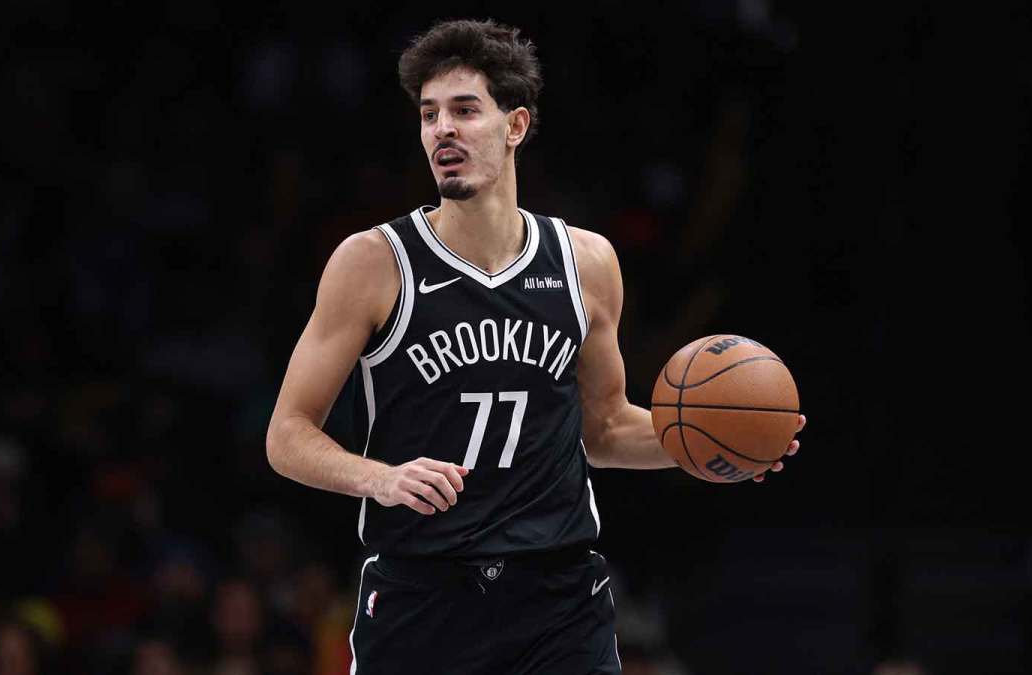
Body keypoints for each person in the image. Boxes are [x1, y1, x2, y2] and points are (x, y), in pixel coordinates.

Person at [265, 18, 805, 675]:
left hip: (557, 595)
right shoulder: (374, 262)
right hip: (423, 592)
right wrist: (378, 477)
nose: (443, 130)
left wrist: (716, 441)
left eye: (465, 110)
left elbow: (604, 429)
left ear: (515, 126)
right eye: (430, 114)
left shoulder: (586, 262)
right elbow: (287, 433)